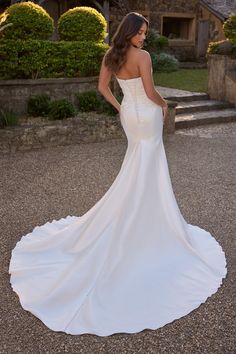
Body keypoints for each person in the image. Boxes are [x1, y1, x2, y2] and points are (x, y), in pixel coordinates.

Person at [9, 12, 227, 337]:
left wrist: (120, 106)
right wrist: (165, 105)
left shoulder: (113, 55)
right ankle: (147, 220)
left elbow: (102, 87)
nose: (144, 38)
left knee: (138, 165)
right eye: (140, 32)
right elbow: (152, 92)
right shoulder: (143, 57)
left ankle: (141, 214)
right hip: (148, 115)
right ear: (130, 32)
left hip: (129, 114)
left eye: (145, 34)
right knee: (147, 165)